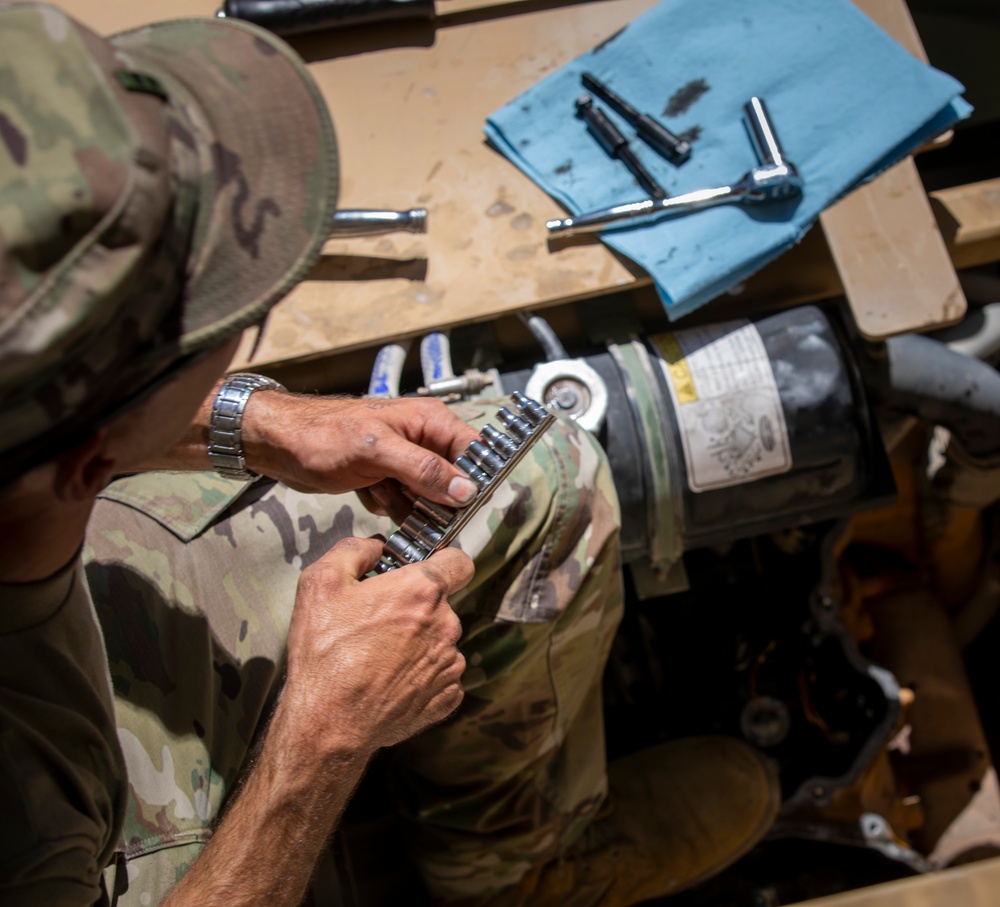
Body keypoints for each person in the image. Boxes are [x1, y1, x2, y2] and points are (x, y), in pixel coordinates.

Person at [0, 4, 780, 906]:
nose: (244, 333)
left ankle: (489, 845)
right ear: (86, 461)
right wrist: (321, 740)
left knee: (539, 489)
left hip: (85, 551)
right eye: (223, 324)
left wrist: (250, 418)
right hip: (90, 843)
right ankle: (513, 883)